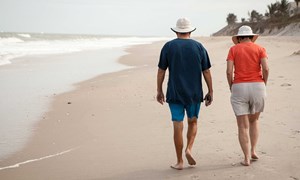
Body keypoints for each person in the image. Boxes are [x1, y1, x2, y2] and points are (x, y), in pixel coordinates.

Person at [156, 18, 213, 170]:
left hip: (174, 93)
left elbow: (161, 70)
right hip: (194, 93)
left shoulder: (168, 47)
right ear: (190, 31)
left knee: (177, 124)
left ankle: (180, 161)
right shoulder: (199, 47)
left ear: (176, 31)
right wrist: (210, 90)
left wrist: (159, 90)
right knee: (193, 122)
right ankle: (189, 149)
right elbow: (206, 70)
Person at [226, 25, 269, 166]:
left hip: (239, 86)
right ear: (251, 37)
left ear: (238, 38)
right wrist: (264, 83)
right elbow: (266, 68)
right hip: (258, 85)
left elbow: (228, 71)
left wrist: (231, 85)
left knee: (242, 126)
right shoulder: (260, 49)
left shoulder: (233, 49)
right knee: (254, 121)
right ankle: (253, 151)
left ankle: (246, 158)